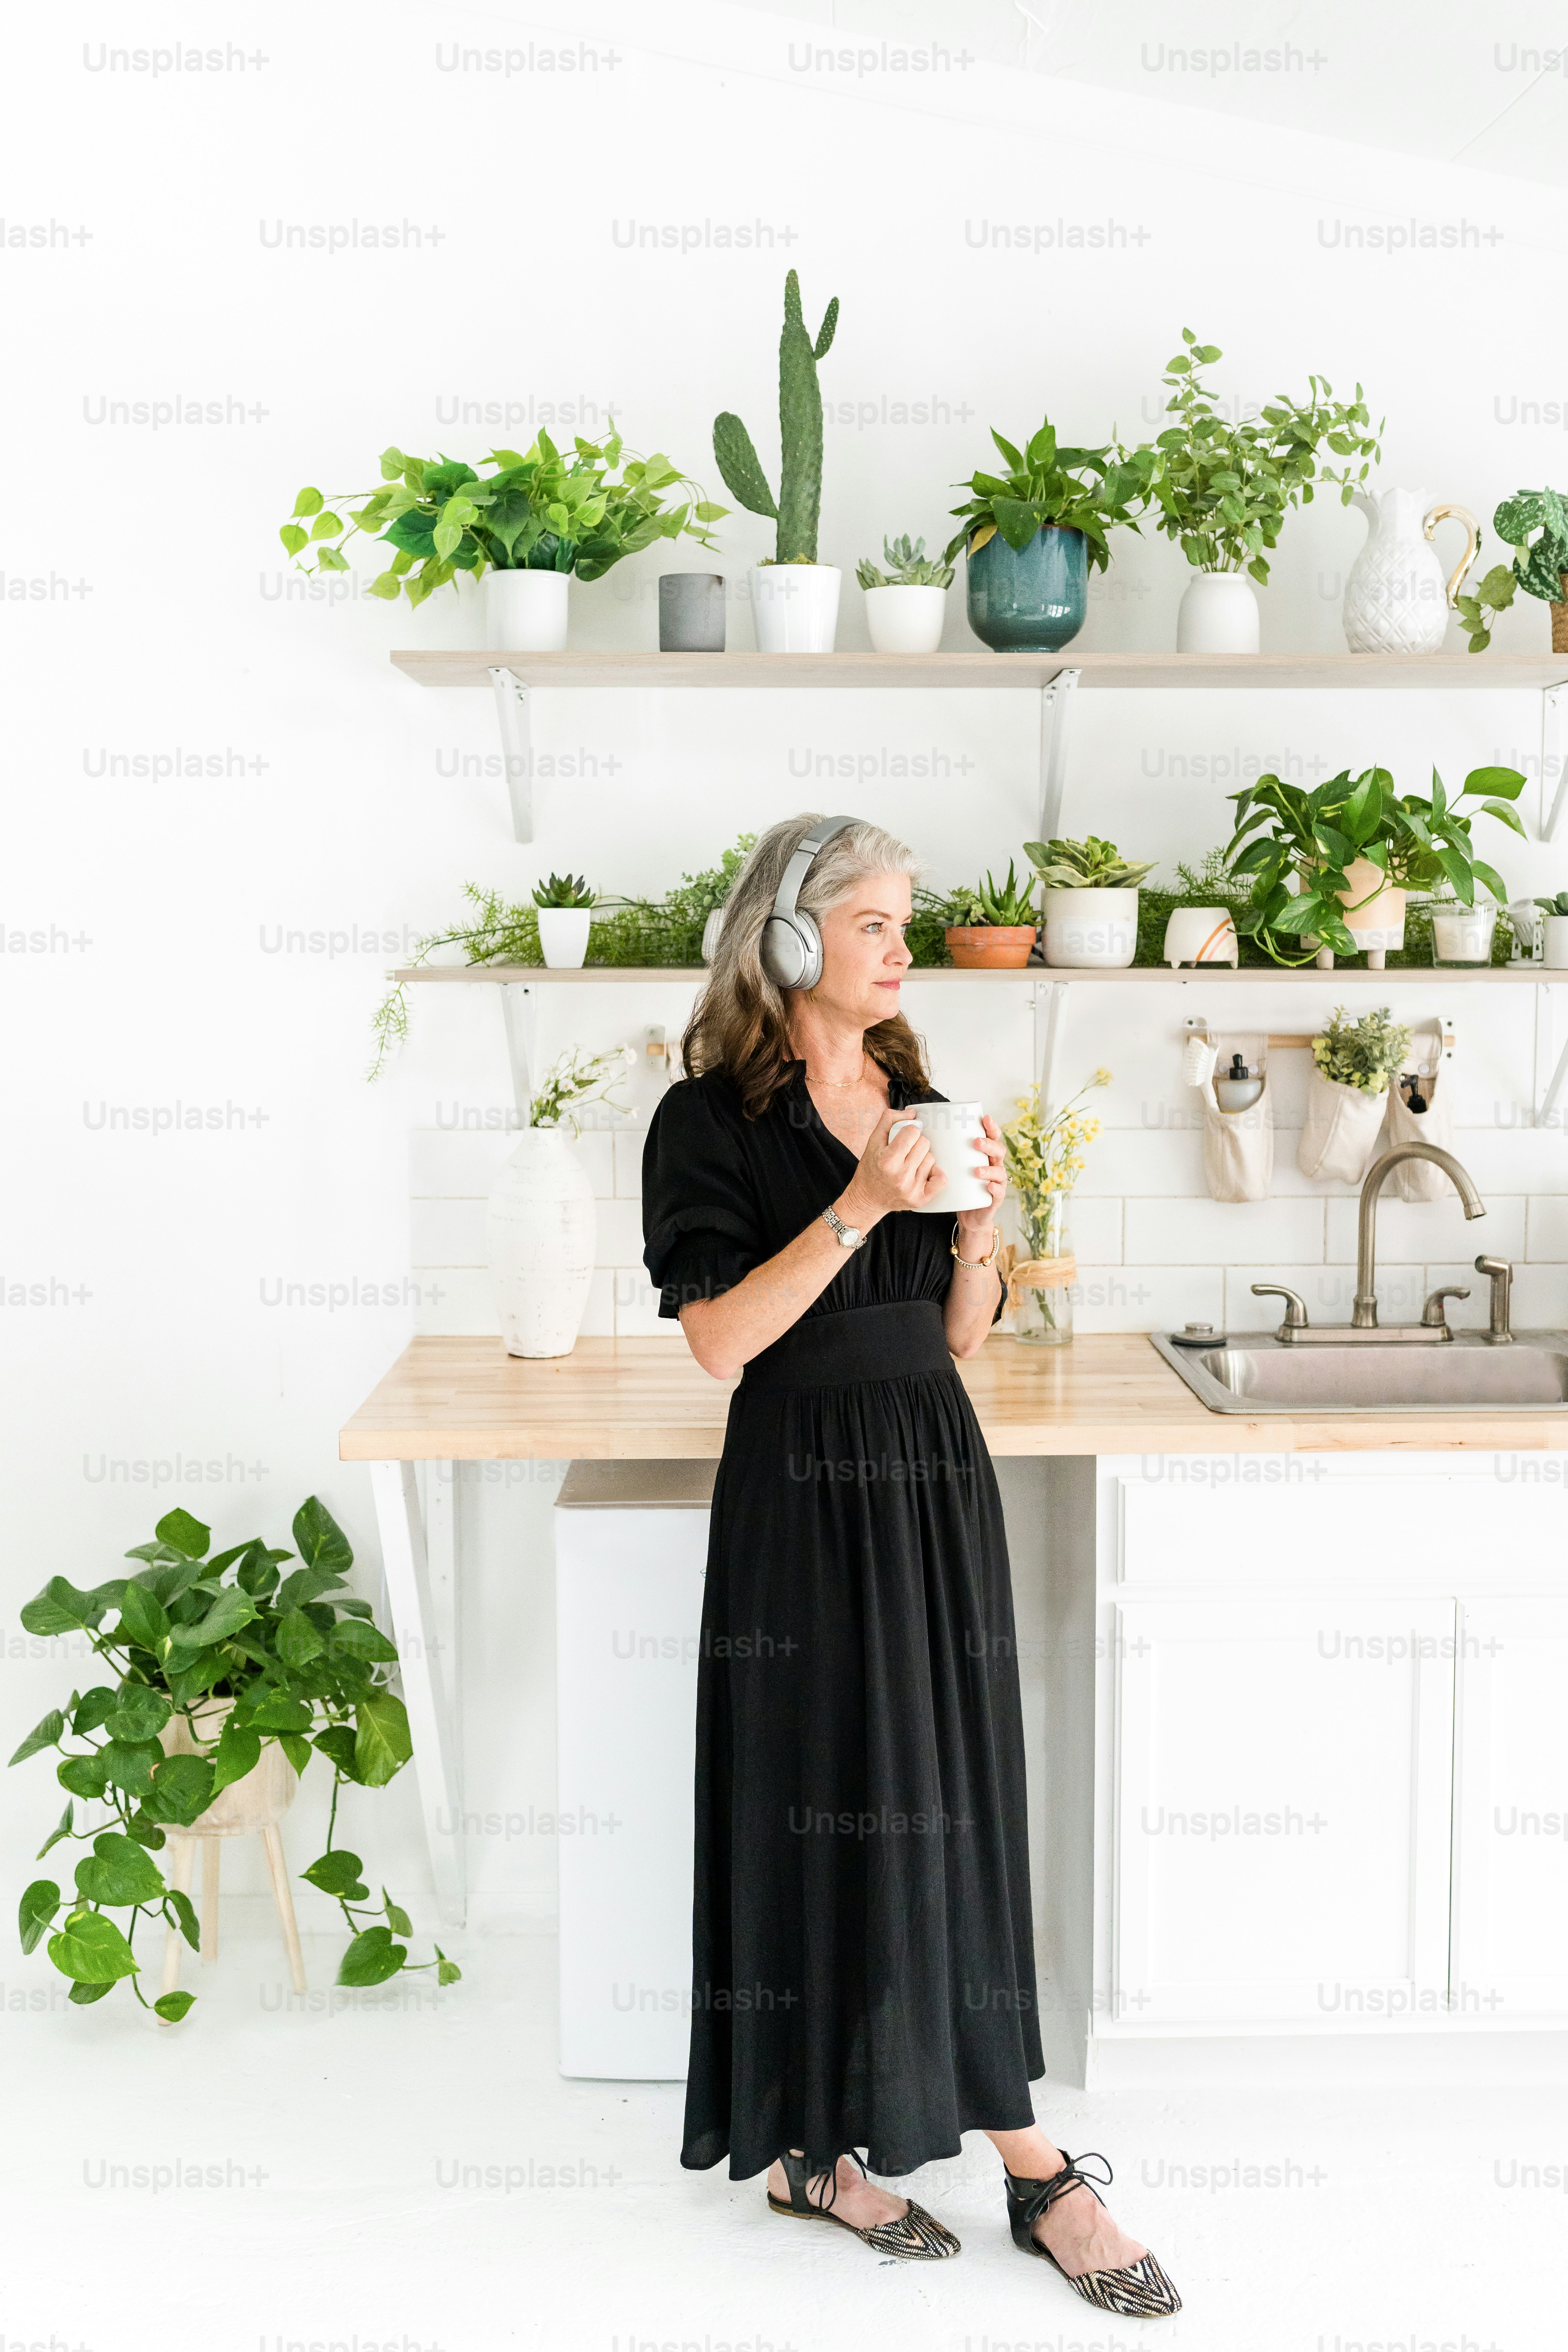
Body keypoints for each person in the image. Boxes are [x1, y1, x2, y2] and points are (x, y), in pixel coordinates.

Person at [640, 814, 1179, 2315]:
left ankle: (966, 2139)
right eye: (874, 922)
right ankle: (955, 2163)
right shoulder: (706, 1120)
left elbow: (955, 1337)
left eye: (906, 921)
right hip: (800, 1485)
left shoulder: (915, 1093)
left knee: (948, 1797)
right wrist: (863, 1204)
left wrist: (983, 1230)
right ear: (795, 938)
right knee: (817, 1797)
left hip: (931, 1469)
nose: (901, 947)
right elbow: (722, 1340)